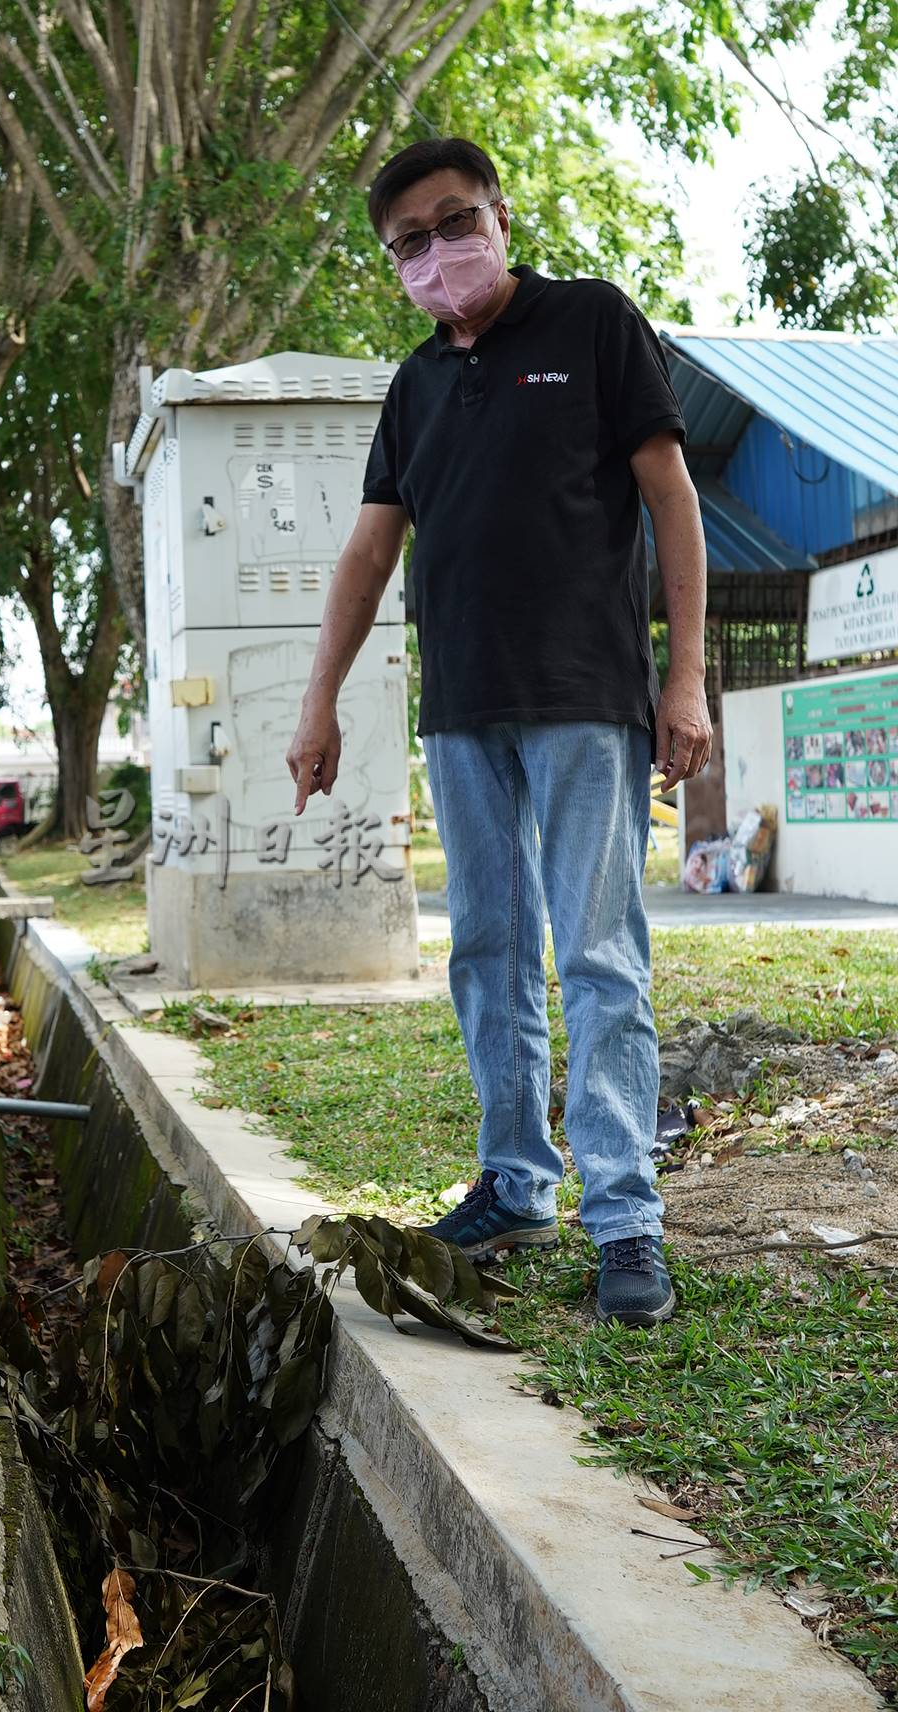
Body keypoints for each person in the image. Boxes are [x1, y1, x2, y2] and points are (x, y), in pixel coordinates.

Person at [284, 137, 712, 1327]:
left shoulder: (592, 323)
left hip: (584, 695)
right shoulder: (415, 385)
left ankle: (623, 1218)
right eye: (408, 242)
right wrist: (318, 701)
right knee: (486, 954)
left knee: (598, 956)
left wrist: (684, 678)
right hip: (462, 711)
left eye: (454, 221)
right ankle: (517, 1185)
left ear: (500, 216)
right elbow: (369, 551)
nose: (437, 252)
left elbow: (670, 496)